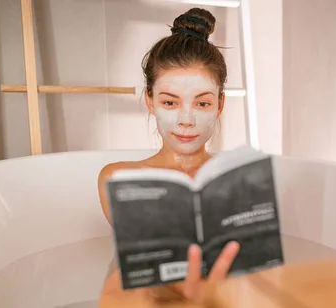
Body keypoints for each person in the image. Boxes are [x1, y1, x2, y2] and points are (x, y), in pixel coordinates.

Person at [97, 7, 240, 305]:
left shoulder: (238, 179)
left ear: (220, 105)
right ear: (150, 100)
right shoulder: (118, 179)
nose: (186, 120)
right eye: (170, 102)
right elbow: (143, 272)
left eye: (202, 104)